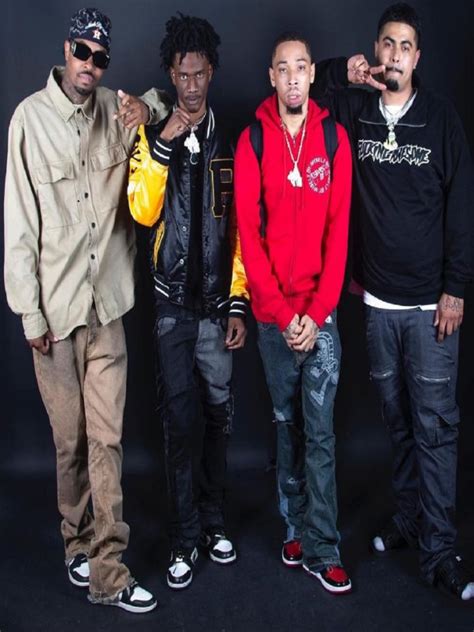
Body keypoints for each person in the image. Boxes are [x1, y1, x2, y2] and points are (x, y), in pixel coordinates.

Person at [4, 7, 169, 613]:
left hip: (109, 311)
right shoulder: (29, 119)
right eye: (82, 52)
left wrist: (146, 107)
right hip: (54, 315)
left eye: (101, 58)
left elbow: (159, 102)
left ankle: (109, 570)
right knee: (69, 442)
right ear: (65, 49)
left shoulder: (115, 111)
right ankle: (75, 542)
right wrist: (30, 314)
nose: (90, 65)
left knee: (106, 441)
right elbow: (19, 225)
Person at [315, 2, 474, 600]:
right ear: (376, 50)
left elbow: (462, 206)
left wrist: (455, 288)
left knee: (435, 429)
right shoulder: (356, 110)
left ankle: (441, 551)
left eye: (406, 46)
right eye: (388, 44)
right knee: (399, 421)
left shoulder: (440, 119)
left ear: (417, 57)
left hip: (432, 308)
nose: (396, 55)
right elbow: (304, 91)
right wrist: (344, 71)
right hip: (378, 304)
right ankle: (409, 520)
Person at [128, 13, 248, 590]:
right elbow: (141, 210)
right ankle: (183, 537)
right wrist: (163, 145)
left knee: (218, 417)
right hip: (172, 305)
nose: (192, 86)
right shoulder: (153, 135)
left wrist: (238, 301)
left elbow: (241, 229)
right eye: (182, 75)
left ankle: (214, 520)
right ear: (171, 75)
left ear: (212, 72)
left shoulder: (233, 142)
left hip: (217, 308)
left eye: (199, 74)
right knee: (179, 421)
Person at [234, 33, 353, 595]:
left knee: (321, 432)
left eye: (300, 67)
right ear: (272, 77)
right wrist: (284, 317)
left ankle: (325, 546)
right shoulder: (253, 141)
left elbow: (339, 233)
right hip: (273, 320)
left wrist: (318, 311)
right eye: (282, 69)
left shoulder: (333, 138)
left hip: (320, 316)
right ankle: (295, 527)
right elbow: (250, 241)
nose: (292, 78)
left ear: (310, 74)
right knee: (288, 426)